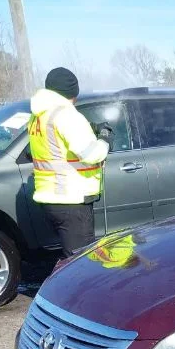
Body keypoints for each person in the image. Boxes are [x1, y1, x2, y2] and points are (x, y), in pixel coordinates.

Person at [28, 67, 110, 257]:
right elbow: (91, 154)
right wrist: (104, 140)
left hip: (51, 196)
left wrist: (89, 129)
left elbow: (55, 144)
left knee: (70, 256)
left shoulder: (39, 114)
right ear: (72, 93)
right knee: (79, 262)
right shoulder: (66, 114)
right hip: (71, 199)